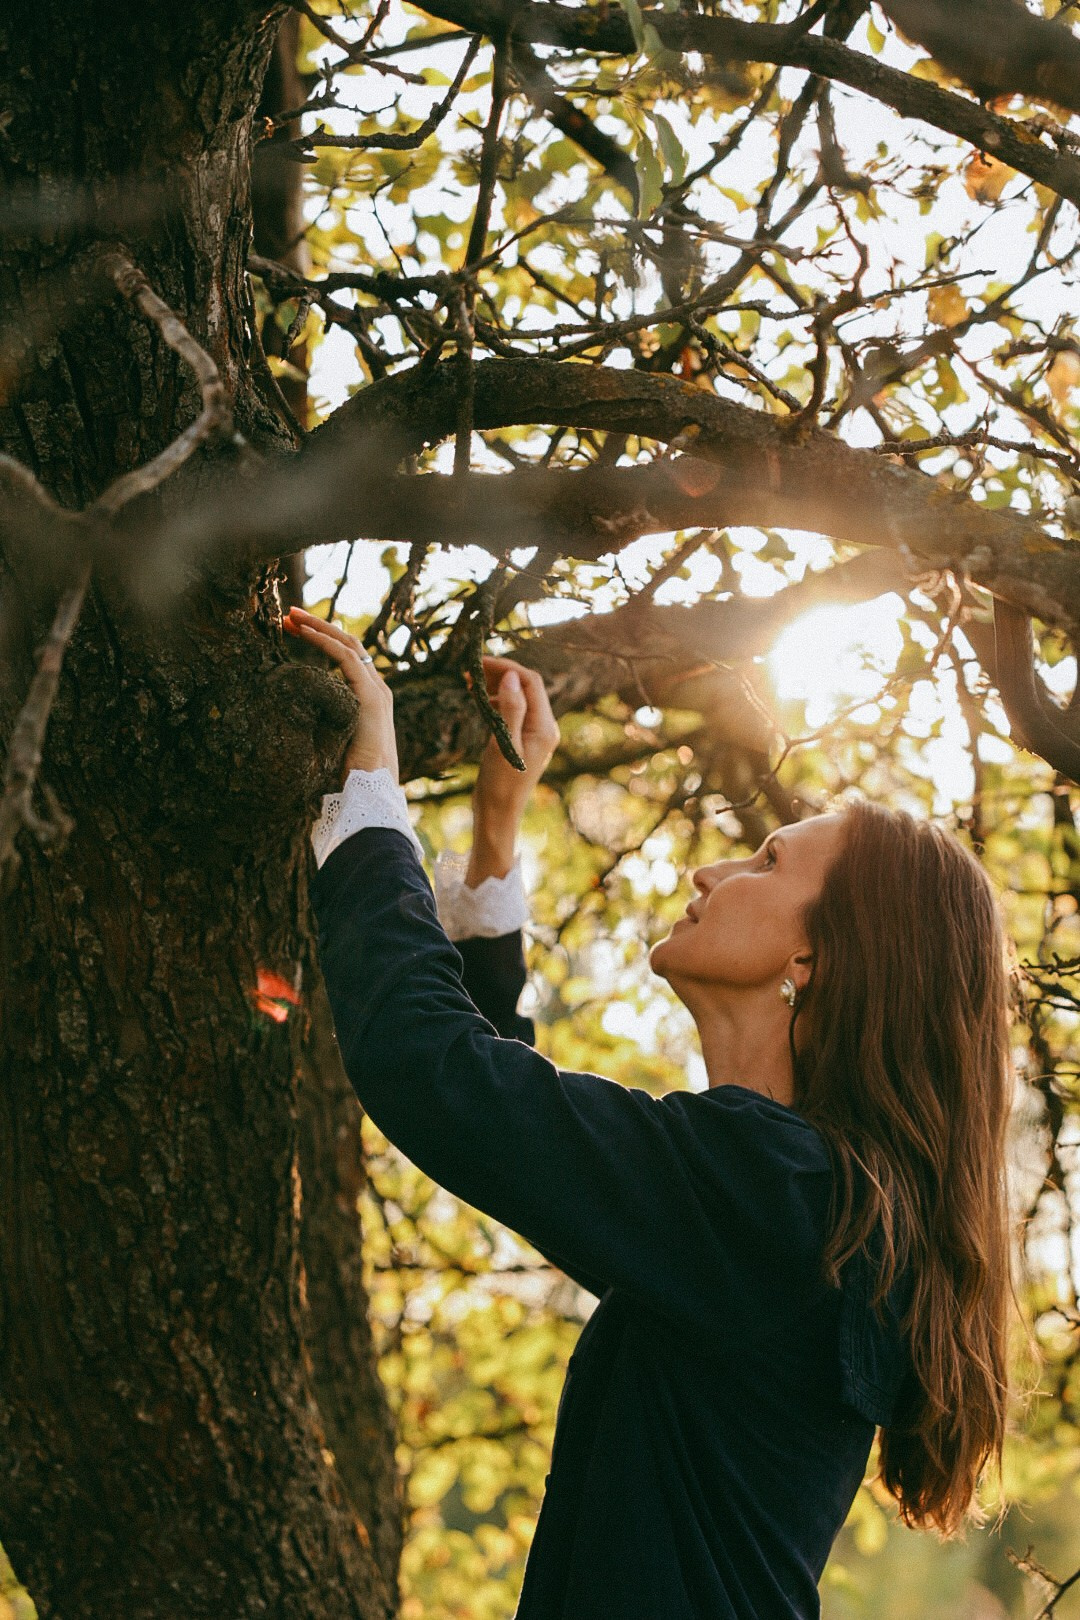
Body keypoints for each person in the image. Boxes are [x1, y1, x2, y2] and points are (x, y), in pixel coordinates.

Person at [285, 605, 1015, 1620]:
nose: (711, 869)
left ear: (815, 961)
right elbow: (522, 1133)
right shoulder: (801, 1206)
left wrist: (371, 786)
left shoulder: (782, 1192)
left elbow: (437, 1075)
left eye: (766, 863)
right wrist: (497, 830)